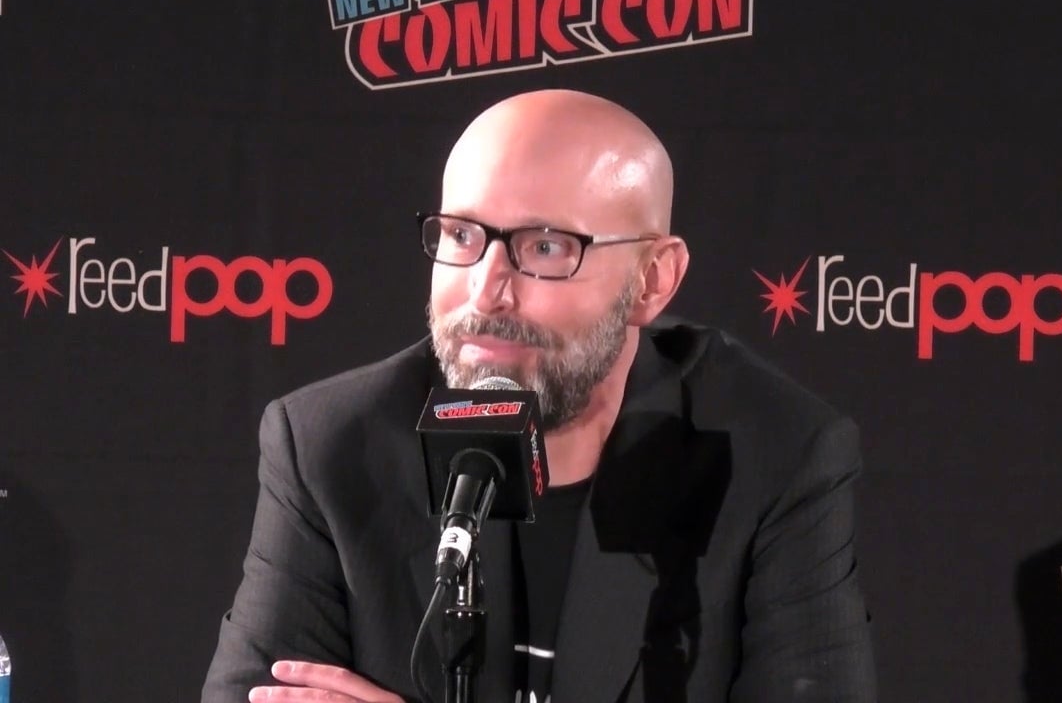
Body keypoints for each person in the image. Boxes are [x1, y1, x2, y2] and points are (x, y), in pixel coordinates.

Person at [200, 88, 877, 703]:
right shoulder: (332, 443)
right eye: (462, 236)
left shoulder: (774, 455)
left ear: (652, 280)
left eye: (546, 247)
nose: (486, 290)